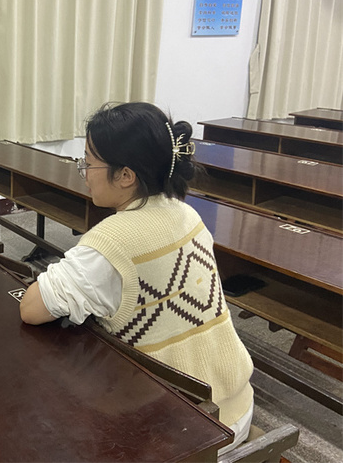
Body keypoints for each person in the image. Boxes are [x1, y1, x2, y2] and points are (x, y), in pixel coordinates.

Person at [19, 102, 254, 453]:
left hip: (186, 430)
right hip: (234, 403)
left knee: (42, 416)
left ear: (126, 175)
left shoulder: (112, 241)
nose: (84, 172)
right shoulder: (186, 212)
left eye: (89, 163)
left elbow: (31, 309)